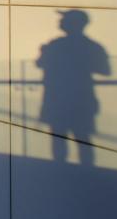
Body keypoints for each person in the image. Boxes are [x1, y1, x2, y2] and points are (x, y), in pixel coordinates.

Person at [36, 10, 109, 166]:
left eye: (64, 19)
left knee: (59, 139)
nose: (60, 22)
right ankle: (87, 173)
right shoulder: (91, 46)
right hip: (82, 99)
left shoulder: (55, 45)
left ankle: (61, 172)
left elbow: (40, 63)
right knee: (83, 139)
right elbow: (105, 69)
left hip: (58, 99)